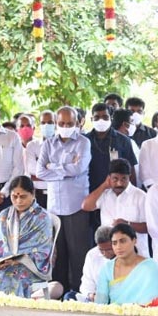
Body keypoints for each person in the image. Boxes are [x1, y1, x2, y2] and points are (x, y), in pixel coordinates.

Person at [0, 176, 53, 298]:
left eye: (23, 197)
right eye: (14, 197)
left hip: (27, 266)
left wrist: (14, 260)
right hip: (1, 264)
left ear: (33, 194)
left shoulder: (42, 218)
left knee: (8, 281)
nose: (18, 201)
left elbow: (42, 250)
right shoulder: (5, 214)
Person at [37, 106, 93, 293]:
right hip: (53, 208)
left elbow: (79, 168)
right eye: (61, 123)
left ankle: (78, 294)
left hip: (76, 206)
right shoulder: (47, 144)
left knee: (78, 254)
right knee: (56, 254)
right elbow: (40, 172)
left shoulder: (84, 143)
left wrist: (53, 166)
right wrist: (66, 168)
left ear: (77, 123)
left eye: (69, 123)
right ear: (56, 123)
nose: (65, 126)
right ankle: (57, 292)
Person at [82, 159, 148, 253]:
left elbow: (149, 227)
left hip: (136, 253)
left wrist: (127, 224)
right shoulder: (104, 194)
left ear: (129, 177)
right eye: (115, 179)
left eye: (123, 179)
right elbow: (85, 206)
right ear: (109, 178)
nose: (119, 183)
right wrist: (104, 185)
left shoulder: (141, 196)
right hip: (108, 253)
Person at [95, 223, 158, 305]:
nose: (118, 247)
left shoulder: (149, 267)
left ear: (134, 240)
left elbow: (155, 302)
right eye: (114, 243)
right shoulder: (107, 269)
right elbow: (100, 303)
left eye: (123, 241)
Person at [85, 103, 138, 192]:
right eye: (97, 117)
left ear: (111, 119)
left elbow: (131, 169)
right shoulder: (85, 141)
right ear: (91, 119)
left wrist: (133, 192)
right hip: (90, 191)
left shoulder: (123, 140)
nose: (101, 120)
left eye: (105, 117)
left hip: (117, 191)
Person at [72, 226, 114, 302]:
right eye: (101, 250)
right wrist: (92, 295)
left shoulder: (123, 255)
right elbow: (86, 283)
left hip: (116, 299)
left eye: (109, 249)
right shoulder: (92, 254)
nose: (105, 253)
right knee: (69, 296)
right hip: (95, 299)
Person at [23, 112, 52, 208]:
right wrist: (55, 172)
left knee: (57, 222)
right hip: (37, 194)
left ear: (56, 124)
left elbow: (65, 171)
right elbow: (32, 171)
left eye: (50, 122)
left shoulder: (63, 145)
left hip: (57, 194)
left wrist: (41, 170)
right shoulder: (32, 145)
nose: (46, 125)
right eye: (43, 123)